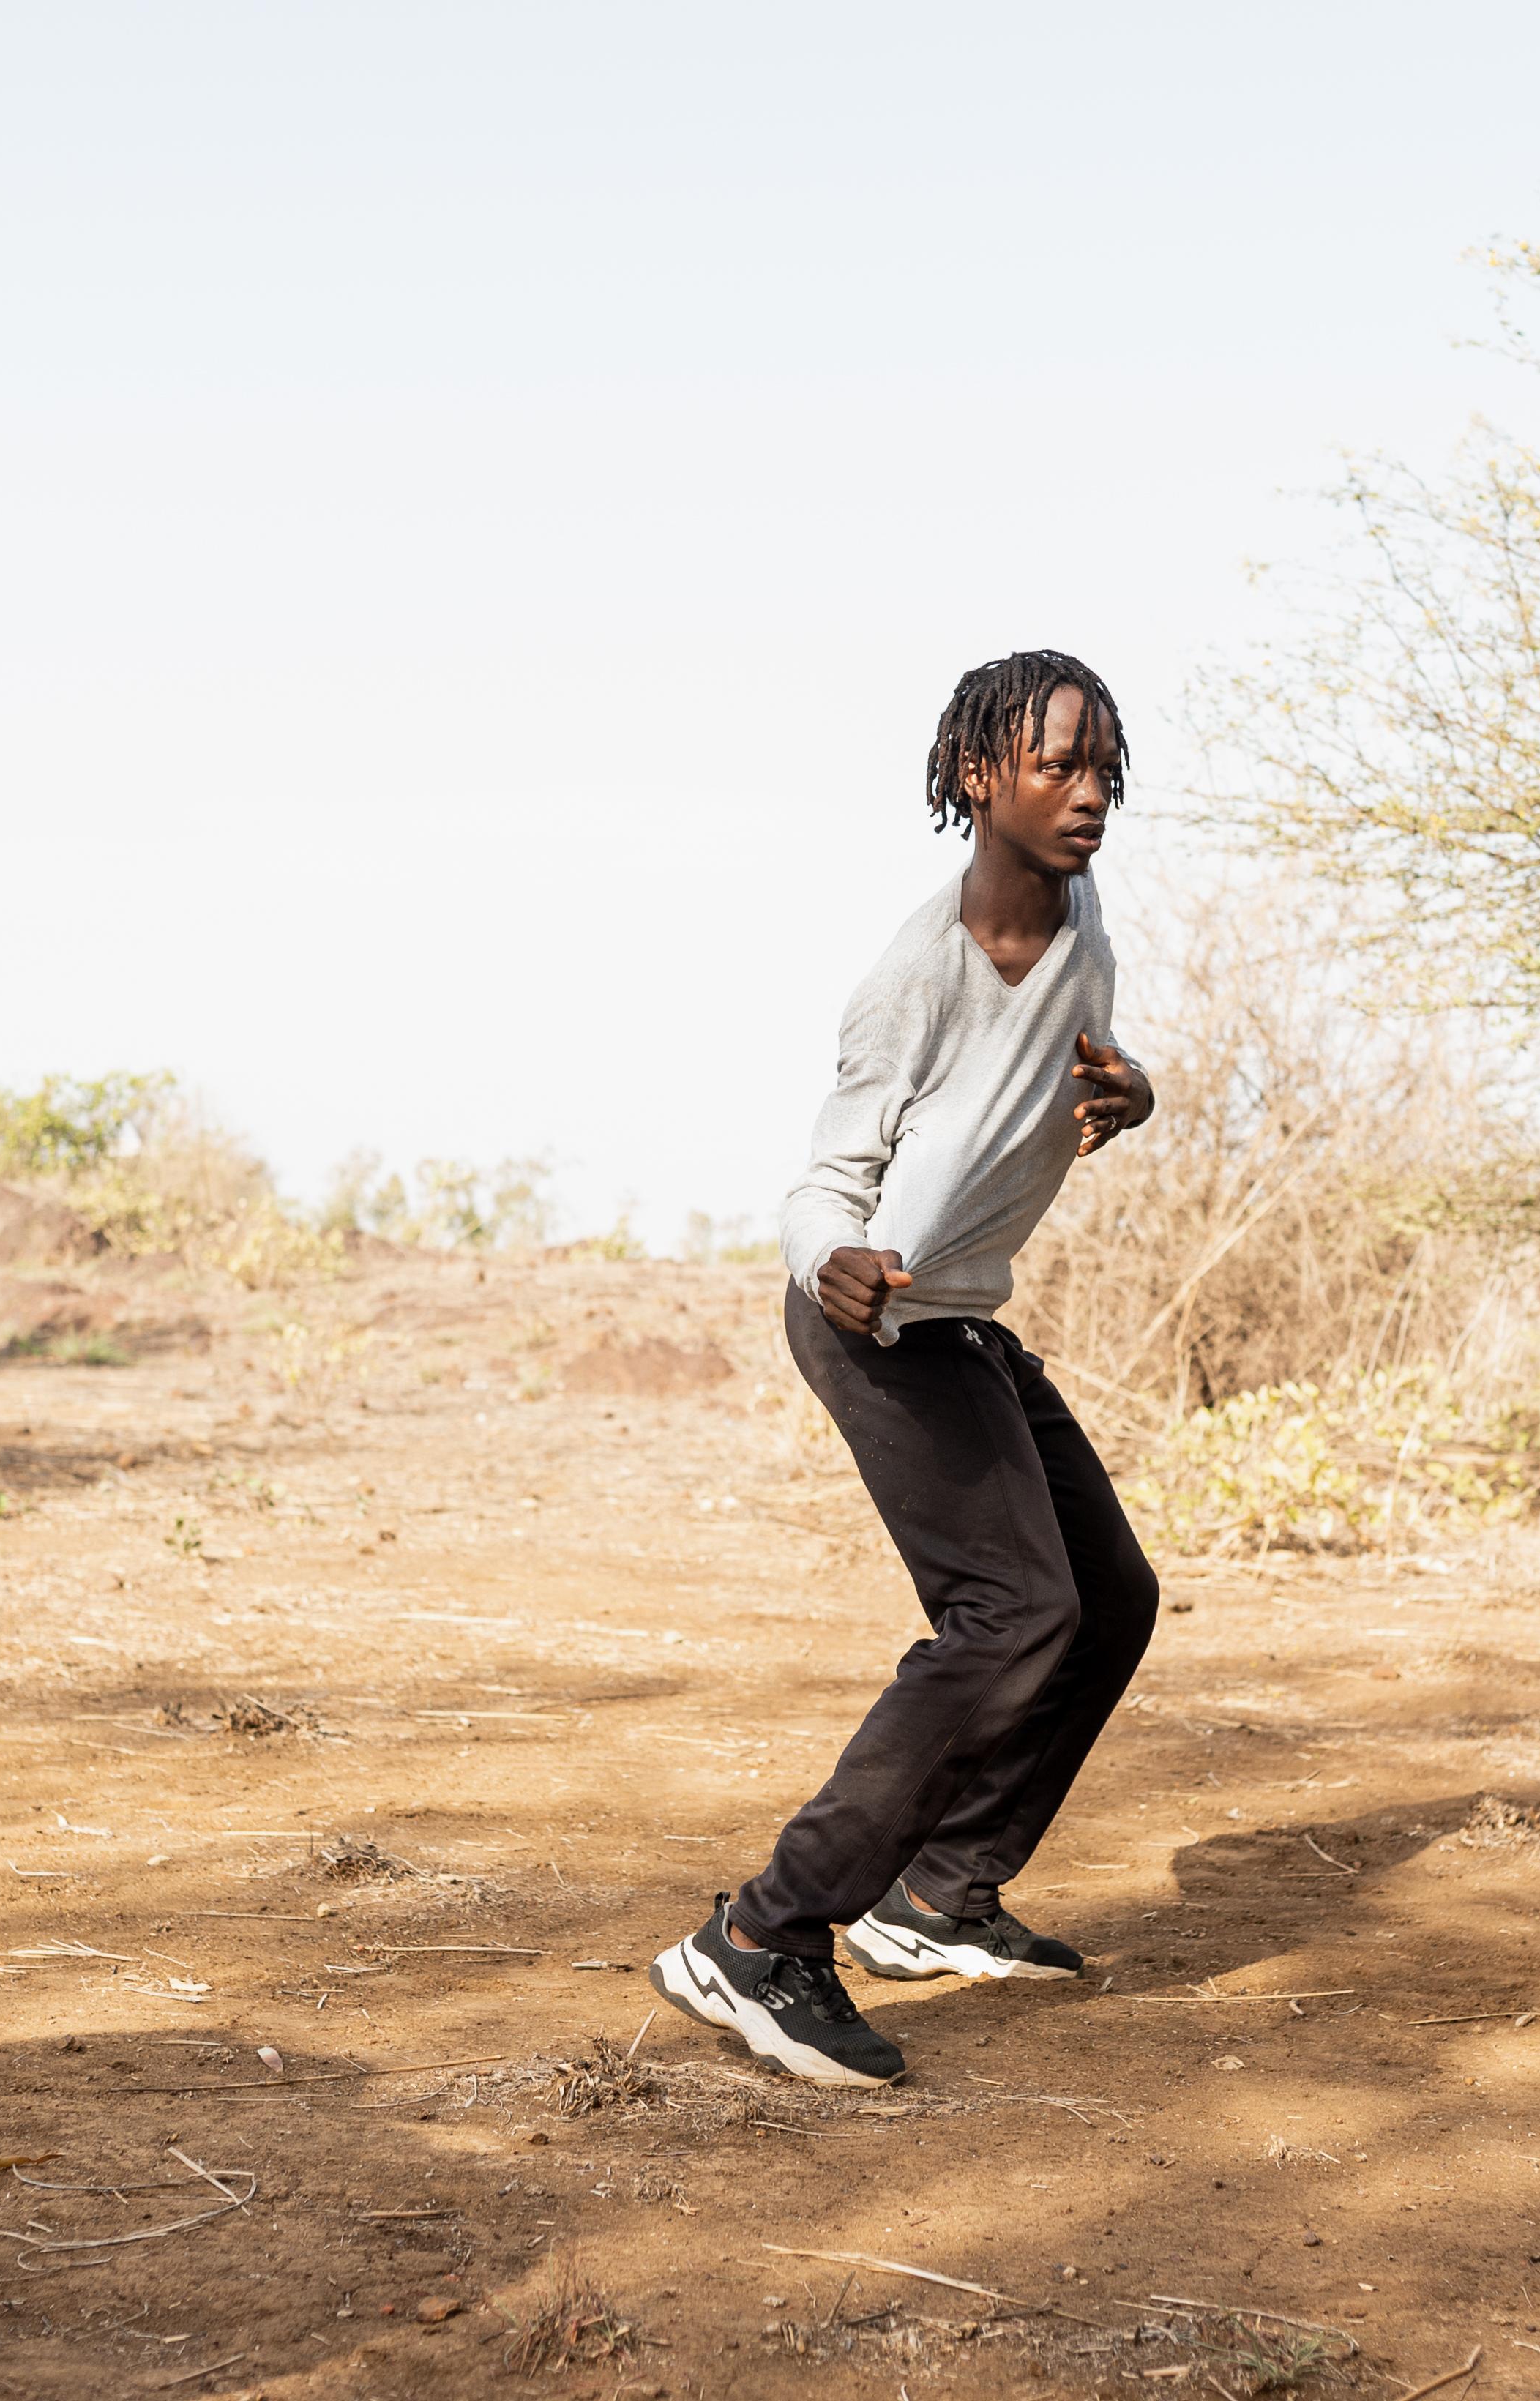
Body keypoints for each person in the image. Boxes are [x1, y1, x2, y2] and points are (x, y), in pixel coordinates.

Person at [646, 649, 1161, 2085]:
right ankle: (762, 1934)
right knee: (1009, 1609)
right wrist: (834, 1256)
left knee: (1106, 1595)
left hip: (964, 1315)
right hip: (871, 1317)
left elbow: (1084, 1050)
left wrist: (1130, 1086)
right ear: (977, 776)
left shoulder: (1083, 913)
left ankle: (938, 1894)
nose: (1091, 794)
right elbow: (829, 1173)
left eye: (1106, 767)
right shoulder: (914, 973)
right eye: (1060, 764)